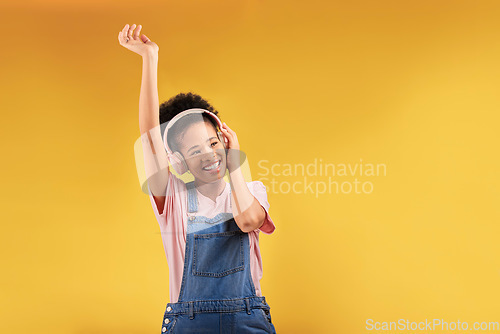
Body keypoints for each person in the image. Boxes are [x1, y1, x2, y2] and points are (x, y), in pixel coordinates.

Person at [118, 23, 277, 333]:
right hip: (189, 323)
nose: (208, 155)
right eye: (195, 150)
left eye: (213, 143)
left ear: (225, 141)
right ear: (178, 161)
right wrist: (150, 57)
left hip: (248, 319)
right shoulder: (173, 199)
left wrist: (235, 164)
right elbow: (150, 139)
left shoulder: (251, 190)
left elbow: (247, 222)